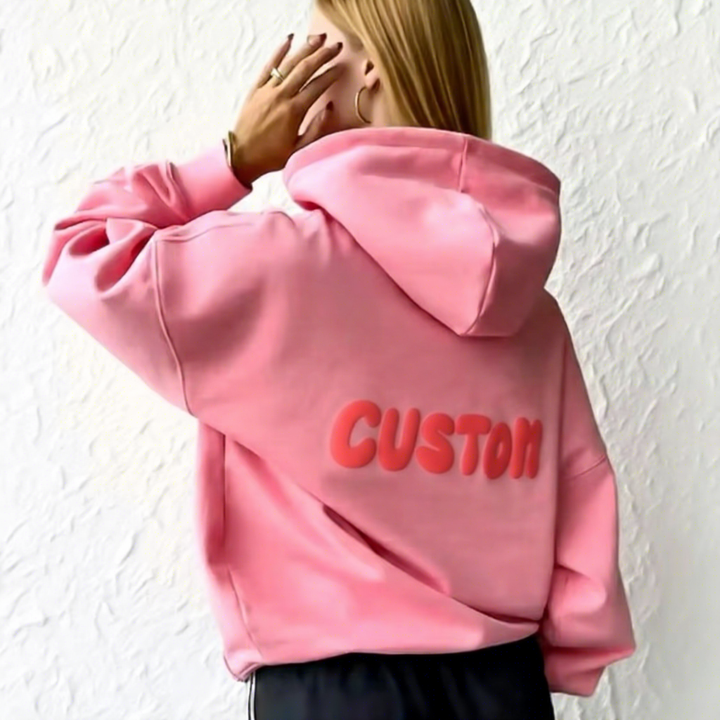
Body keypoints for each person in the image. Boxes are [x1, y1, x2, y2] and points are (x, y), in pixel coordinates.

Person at [41, 0, 636, 718]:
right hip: (503, 687)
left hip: (333, 692)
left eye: (315, 46)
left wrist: (234, 158)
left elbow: (82, 251)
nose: (291, 69)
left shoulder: (274, 267)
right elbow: (580, 503)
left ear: (369, 69)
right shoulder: (533, 316)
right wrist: (554, 660)